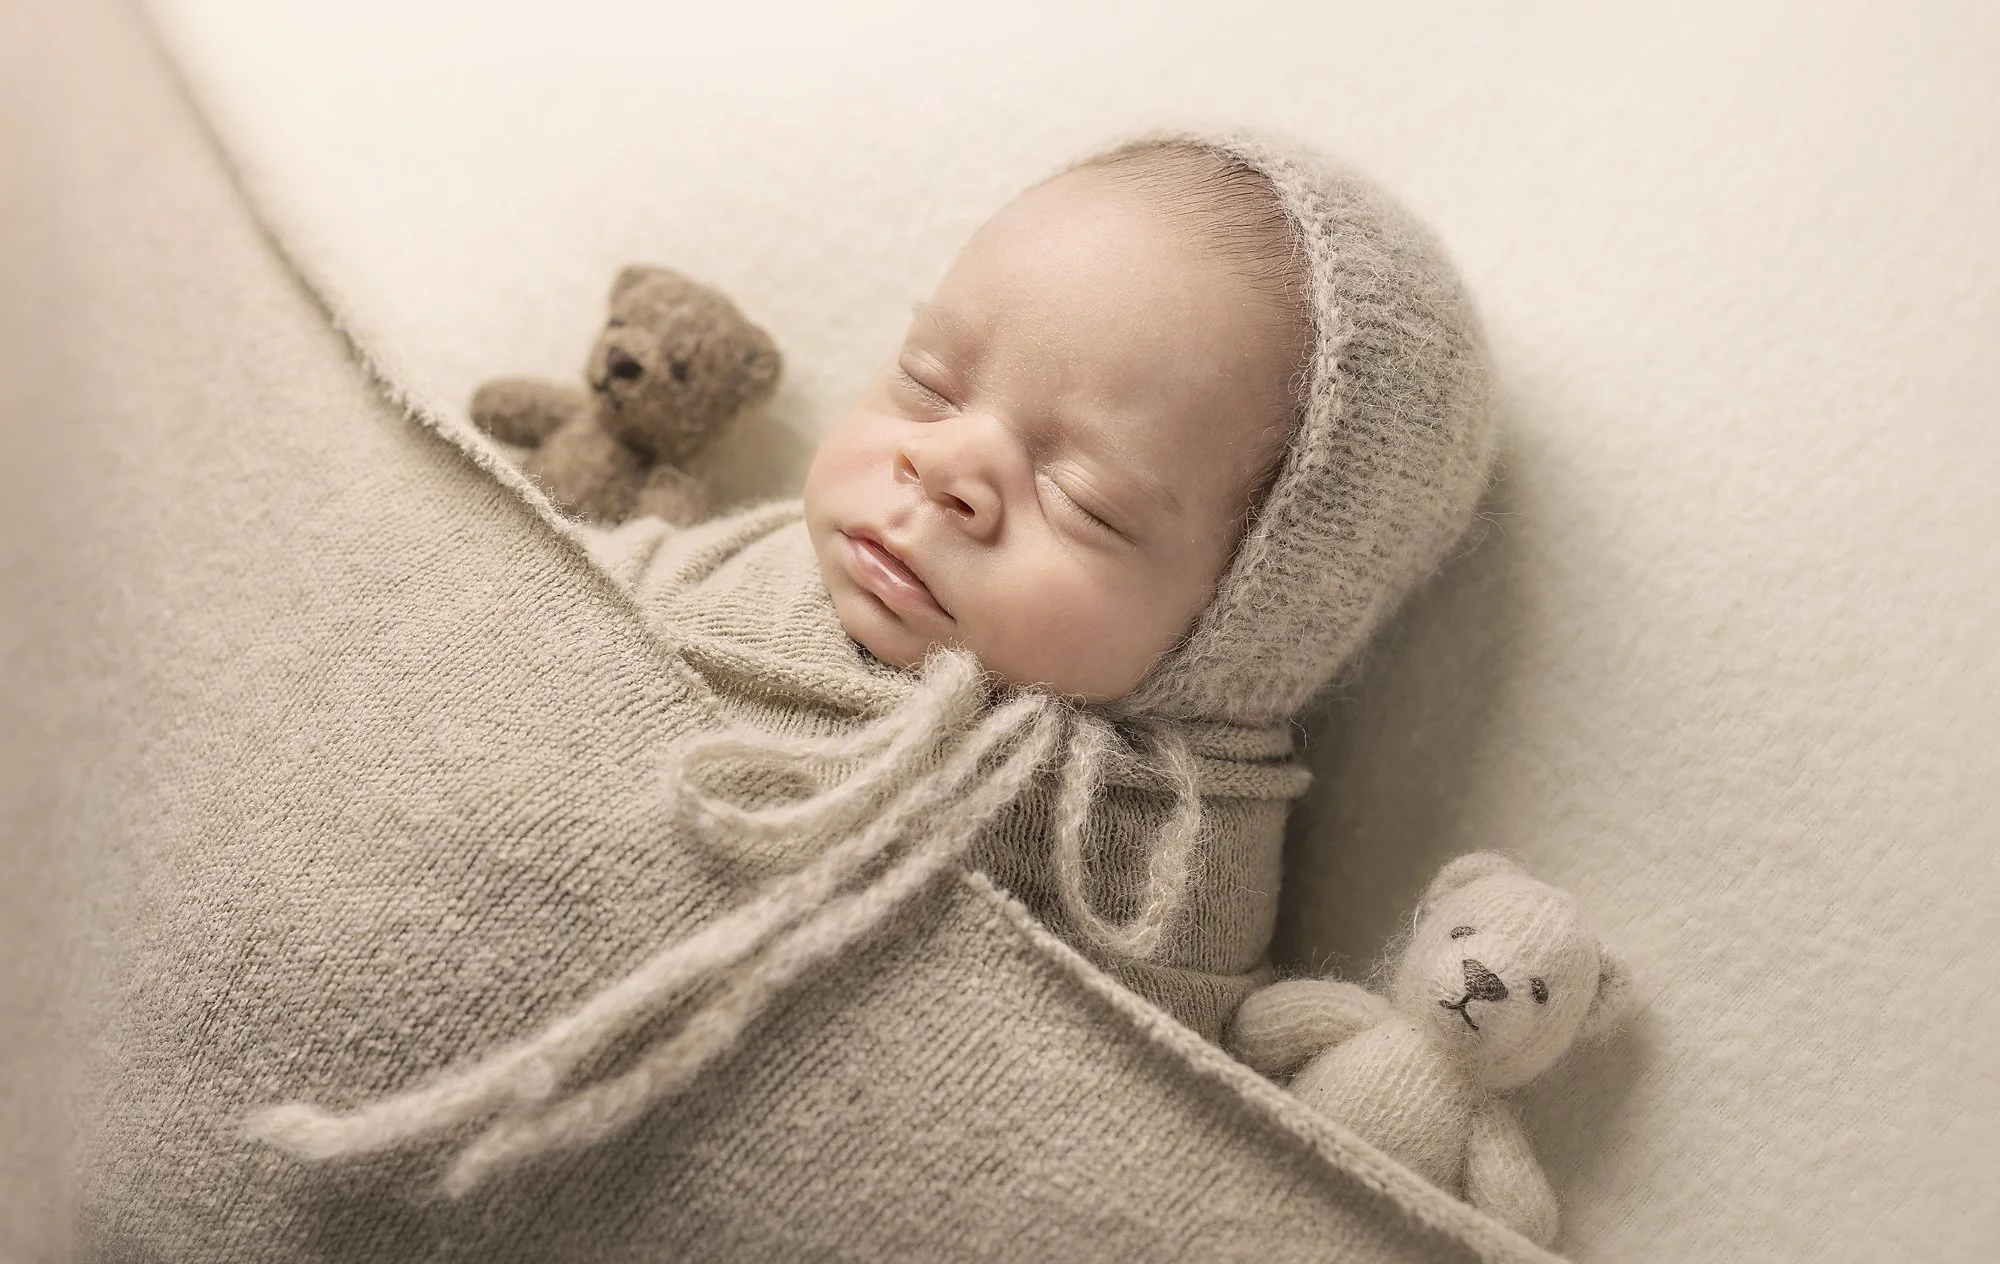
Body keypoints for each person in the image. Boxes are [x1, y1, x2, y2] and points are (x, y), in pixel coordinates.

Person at [248, 131, 1499, 1198]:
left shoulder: (1162, 851)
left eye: (1081, 495)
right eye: (927, 382)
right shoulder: (748, 566)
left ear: (1245, 628)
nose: (945, 469)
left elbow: (1117, 1145)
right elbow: (507, 626)